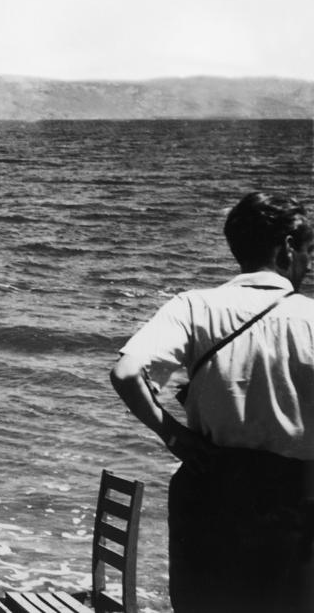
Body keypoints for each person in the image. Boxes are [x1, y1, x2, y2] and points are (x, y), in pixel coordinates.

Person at [111, 191, 314, 613]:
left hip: (209, 485)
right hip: (293, 497)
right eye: (309, 251)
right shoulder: (310, 317)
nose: (308, 265)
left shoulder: (193, 305)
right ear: (287, 248)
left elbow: (127, 373)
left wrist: (172, 435)